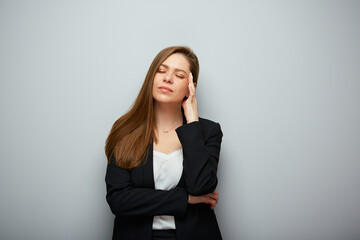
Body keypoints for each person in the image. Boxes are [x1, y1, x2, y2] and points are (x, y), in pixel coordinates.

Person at [105, 46, 223, 240]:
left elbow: (201, 186)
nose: (167, 78)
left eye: (179, 75)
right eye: (161, 70)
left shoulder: (208, 131)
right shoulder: (125, 130)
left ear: (190, 86)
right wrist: (186, 199)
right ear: (152, 77)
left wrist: (192, 121)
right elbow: (119, 200)